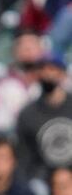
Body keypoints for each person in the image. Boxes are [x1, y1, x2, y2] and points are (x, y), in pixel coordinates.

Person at [15, 52, 72, 181]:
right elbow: (24, 158)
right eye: (42, 69)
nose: (47, 74)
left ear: (62, 74)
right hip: (43, 177)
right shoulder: (28, 114)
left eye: (52, 69)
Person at [0, 29, 46, 134]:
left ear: (42, 50)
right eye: (22, 45)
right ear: (14, 52)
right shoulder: (4, 86)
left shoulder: (56, 82)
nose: (28, 49)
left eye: (32, 44)